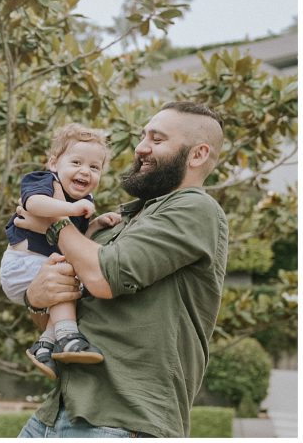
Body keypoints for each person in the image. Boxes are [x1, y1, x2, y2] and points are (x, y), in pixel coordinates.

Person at [14, 100, 228, 439]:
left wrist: (53, 218)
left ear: (197, 154)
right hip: (55, 413)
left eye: (157, 140)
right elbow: (65, 312)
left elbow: (103, 277)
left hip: (124, 421)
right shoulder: (121, 221)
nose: (140, 147)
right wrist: (37, 298)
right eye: (143, 136)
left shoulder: (195, 209)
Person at [0, 124, 122, 379]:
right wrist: (72, 209)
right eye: (76, 162)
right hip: (23, 264)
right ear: (54, 163)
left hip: (42, 268)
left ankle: (44, 345)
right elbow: (33, 204)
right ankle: (68, 336)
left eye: (94, 167)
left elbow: (74, 241)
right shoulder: (43, 180)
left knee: (75, 271)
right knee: (68, 273)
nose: (84, 171)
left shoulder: (85, 201)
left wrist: (96, 223)